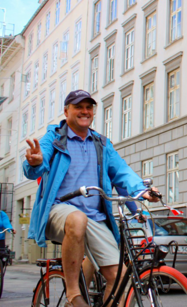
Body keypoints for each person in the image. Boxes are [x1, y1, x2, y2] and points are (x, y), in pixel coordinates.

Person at [23, 90, 160, 307]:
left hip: (95, 218)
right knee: (77, 219)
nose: (85, 111)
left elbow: (121, 171)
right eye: (79, 107)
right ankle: (73, 295)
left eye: (89, 107)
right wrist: (35, 162)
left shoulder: (102, 143)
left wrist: (141, 191)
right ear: (67, 111)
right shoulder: (54, 138)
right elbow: (36, 166)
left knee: (120, 280)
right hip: (60, 210)